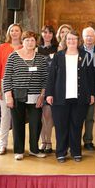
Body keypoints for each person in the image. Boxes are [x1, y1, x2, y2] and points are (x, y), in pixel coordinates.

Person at [46, 30, 95, 163]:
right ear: (65, 41)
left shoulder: (85, 56)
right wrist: (49, 93)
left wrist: (91, 94)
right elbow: (51, 77)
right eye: (69, 39)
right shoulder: (58, 56)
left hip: (80, 97)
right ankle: (61, 152)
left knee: (76, 125)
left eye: (74, 39)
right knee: (61, 126)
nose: (72, 41)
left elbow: (91, 77)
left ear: (78, 41)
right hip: (60, 97)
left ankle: (76, 152)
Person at [3, 31, 48, 160]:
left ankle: (34, 149)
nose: (30, 43)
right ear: (22, 41)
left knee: (35, 124)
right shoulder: (13, 57)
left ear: (36, 42)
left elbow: (45, 79)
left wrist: (42, 95)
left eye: (32, 40)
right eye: (27, 40)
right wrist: (8, 96)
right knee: (18, 124)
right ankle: (19, 151)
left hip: (36, 97)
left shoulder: (40, 58)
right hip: (17, 96)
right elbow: (7, 78)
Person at [0, 23, 23, 155]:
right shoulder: (2, 47)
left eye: (17, 30)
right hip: (5, 83)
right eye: (12, 30)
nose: (14, 33)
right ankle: (3, 145)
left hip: (21, 84)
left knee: (19, 117)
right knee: (5, 116)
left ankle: (19, 147)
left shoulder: (26, 46)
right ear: (9, 33)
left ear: (21, 33)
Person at [37, 25, 58, 154]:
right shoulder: (36, 49)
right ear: (42, 34)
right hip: (37, 85)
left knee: (48, 115)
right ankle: (42, 141)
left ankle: (49, 141)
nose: (47, 35)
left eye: (50, 32)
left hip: (52, 85)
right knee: (39, 116)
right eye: (45, 32)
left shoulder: (57, 49)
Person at [81, 26, 95, 151]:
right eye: (87, 35)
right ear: (83, 37)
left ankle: (88, 141)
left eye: (91, 35)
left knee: (89, 117)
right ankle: (75, 140)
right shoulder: (77, 51)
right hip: (79, 89)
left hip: (93, 89)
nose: (89, 38)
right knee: (77, 117)